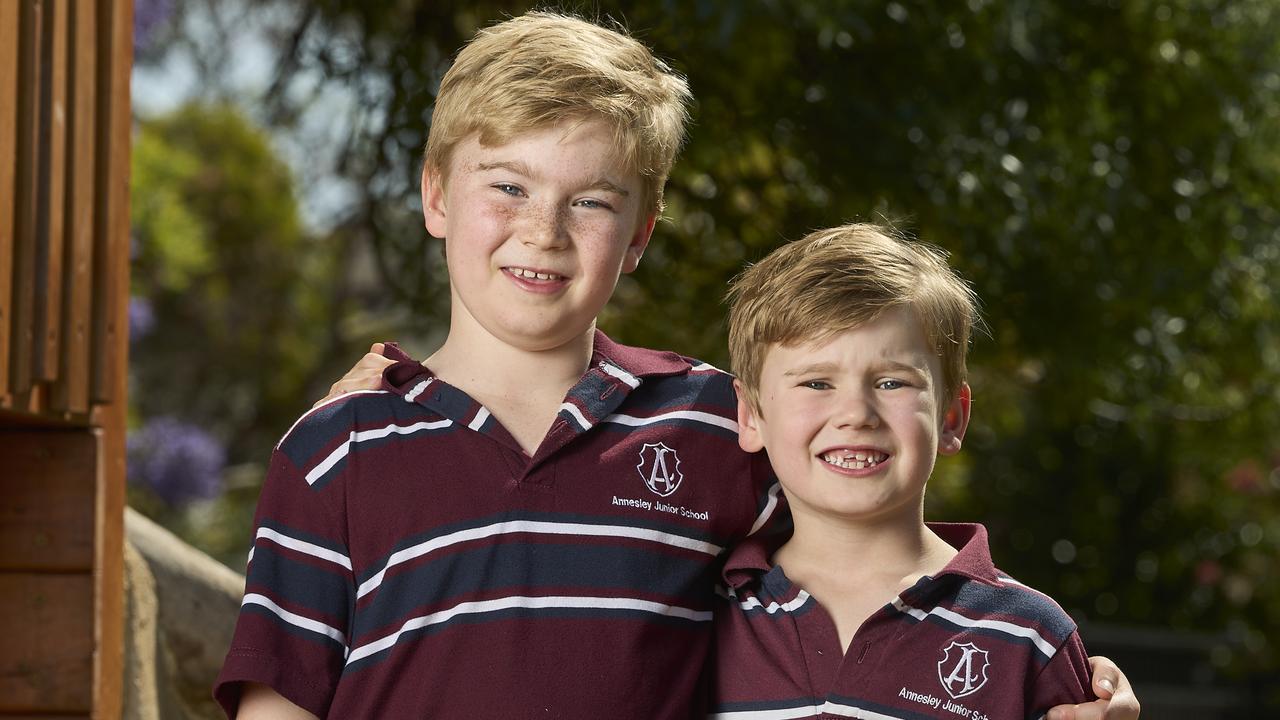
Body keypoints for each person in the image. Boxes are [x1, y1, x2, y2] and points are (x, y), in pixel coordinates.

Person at [218, 10, 1139, 720]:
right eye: (507, 185)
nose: (542, 229)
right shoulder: (336, 449)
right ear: (436, 198)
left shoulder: (711, 424)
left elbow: (865, 544)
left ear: (639, 237)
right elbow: (280, 698)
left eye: (591, 201)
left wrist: (1045, 669)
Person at [708, 223, 1106, 719]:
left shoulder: (1031, 637)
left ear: (951, 417)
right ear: (750, 416)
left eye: (893, 382)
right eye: (816, 383)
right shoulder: (696, 613)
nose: (856, 413)